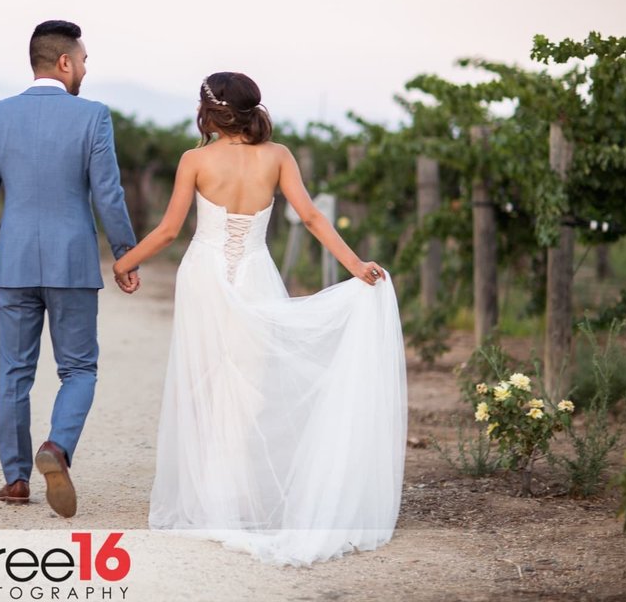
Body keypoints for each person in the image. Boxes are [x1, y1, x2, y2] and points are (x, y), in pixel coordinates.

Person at [113, 71, 407, 566]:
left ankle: (214, 498)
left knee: (206, 383)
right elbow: (312, 217)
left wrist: (123, 262)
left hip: (205, 276)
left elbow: (167, 231)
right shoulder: (278, 157)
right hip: (255, 274)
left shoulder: (195, 160)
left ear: (208, 111)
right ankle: (238, 495)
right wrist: (355, 264)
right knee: (250, 386)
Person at [0, 20, 139, 518]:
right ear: (64, 62)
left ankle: (16, 480)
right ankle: (56, 448)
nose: (84, 69)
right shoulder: (93, 117)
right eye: (82, 60)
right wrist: (126, 252)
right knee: (79, 368)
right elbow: (108, 192)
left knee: (13, 373)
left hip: (14, 261)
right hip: (73, 263)